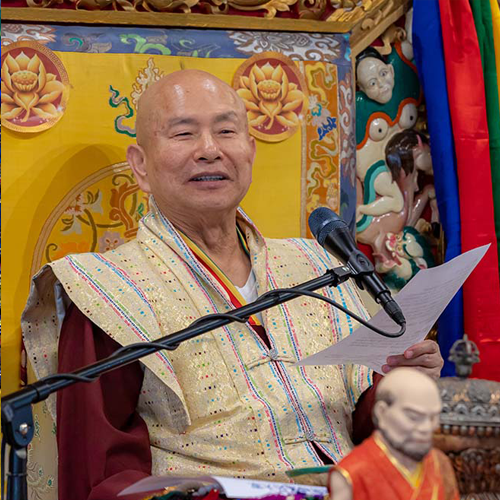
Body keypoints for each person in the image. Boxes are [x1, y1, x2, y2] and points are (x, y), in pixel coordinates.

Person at [22, 70, 443, 500]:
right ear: (141, 165)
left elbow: (360, 419)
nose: (210, 150)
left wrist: (397, 384)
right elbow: (101, 472)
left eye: (226, 131)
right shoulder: (105, 291)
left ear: (250, 151)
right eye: (184, 133)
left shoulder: (316, 263)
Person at [328, 367, 459, 500]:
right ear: (382, 412)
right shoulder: (352, 473)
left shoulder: (439, 463)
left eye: (433, 417)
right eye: (414, 417)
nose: (426, 427)